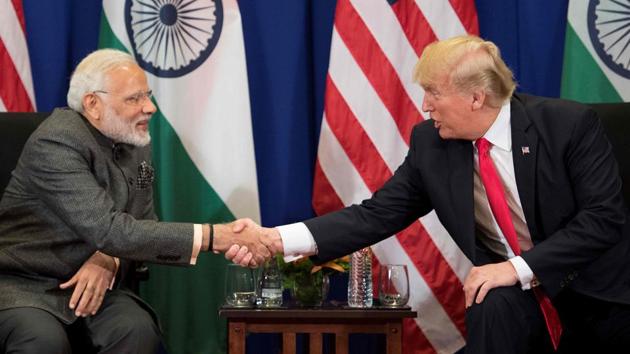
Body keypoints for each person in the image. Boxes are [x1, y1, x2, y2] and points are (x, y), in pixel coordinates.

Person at [228, 36, 630, 353]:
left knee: (500, 287)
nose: (425, 106)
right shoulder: (433, 145)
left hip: (598, 292)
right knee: (490, 302)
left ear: (476, 97)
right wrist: (276, 239)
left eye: (434, 93)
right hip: (516, 300)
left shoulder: (568, 126)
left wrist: (517, 267)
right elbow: (376, 214)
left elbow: (602, 219)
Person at [0, 49, 269, 354]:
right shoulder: (57, 142)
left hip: (98, 282)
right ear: (93, 104)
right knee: (43, 342)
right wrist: (215, 237)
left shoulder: (133, 142)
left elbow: (142, 223)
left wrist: (110, 258)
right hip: (26, 283)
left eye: (148, 96)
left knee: (137, 331)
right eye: (134, 98)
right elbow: (110, 230)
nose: (150, 108)